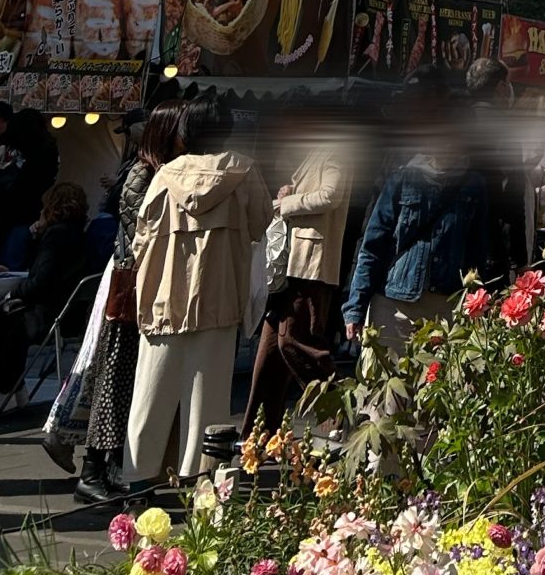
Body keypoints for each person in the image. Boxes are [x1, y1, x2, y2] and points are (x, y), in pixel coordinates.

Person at [125, 93, 270, 487]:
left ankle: (137, 480)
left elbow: (141, 237)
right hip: (219, 297)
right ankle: (201, 480)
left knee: (150, 395)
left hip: (163, 298)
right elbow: (261, 224)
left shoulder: (165, 175)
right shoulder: (244, 171)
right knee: (208, 400)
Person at [79, 105, 183, 500]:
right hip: (131, 290)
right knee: (115, 379)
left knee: (125, 381)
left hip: (140, 288)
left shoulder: (151, 170)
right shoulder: (143, 173)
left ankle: (109, 467)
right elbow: (142, 232)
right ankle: (93, 470)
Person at [342, 76, 488, 354]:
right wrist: (355, 308)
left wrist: (477, 307)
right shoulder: (402, 178)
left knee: (435, 382)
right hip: (394, 306)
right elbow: (372, 247)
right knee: (387, 382)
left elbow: (477, 253)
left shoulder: (474, 186)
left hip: (446, 309)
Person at [242, 105, 353, 436]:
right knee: (269, 352)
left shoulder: (335, 151)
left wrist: (287, 203)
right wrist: (290, 193)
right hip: (291, 266)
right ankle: (258, 434)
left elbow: (330, 196)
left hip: (310, 265)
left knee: (293, 340)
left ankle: (338, 408)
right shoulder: (315, 153)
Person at [0, 180, 91, 420]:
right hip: (66, 313)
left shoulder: (56, 237)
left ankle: (3, 390)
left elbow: (41, 279)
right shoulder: (76, 235)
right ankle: (12, 388)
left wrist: (13, 295)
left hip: (45, 314)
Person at [463, 57, 532, 287]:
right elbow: (513, 201)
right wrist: (520, 261)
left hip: (450, 244)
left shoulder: (455, 122)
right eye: (509, 83)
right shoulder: (507, 131)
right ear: (501, 87)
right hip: (489, 247)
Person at [0, 108, 57, 264]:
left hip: (6, 219)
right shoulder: (47, 153)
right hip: (25, 216)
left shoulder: (20, 159)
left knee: (1, 261)